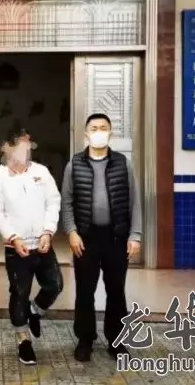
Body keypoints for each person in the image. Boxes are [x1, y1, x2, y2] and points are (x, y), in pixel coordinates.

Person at [60, 113, 142, 362]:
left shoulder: (122, 163)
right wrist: (72, 232)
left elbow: (134, 201)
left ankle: (116, 340)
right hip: (85, 238)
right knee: (85, 291)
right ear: (86, 133)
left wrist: (135, 235)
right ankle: (85, 339)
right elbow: (67, 202)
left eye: (103, 128)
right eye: (94, 128)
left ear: (110, 132)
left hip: (116, 237)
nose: (98, 132)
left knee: (116, 290)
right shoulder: (74, 164)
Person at [0, 129, 63, 365]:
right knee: (20, 293)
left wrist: (48, 231)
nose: (27, 148)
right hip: (16, 248)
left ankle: (34, 311)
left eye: (29, 144)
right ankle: (23, 341)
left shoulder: (41, 172)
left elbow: (53, 202)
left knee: (55, 285)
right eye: (22, 144)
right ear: (6, 147)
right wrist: (12, 236)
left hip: (42, 244)